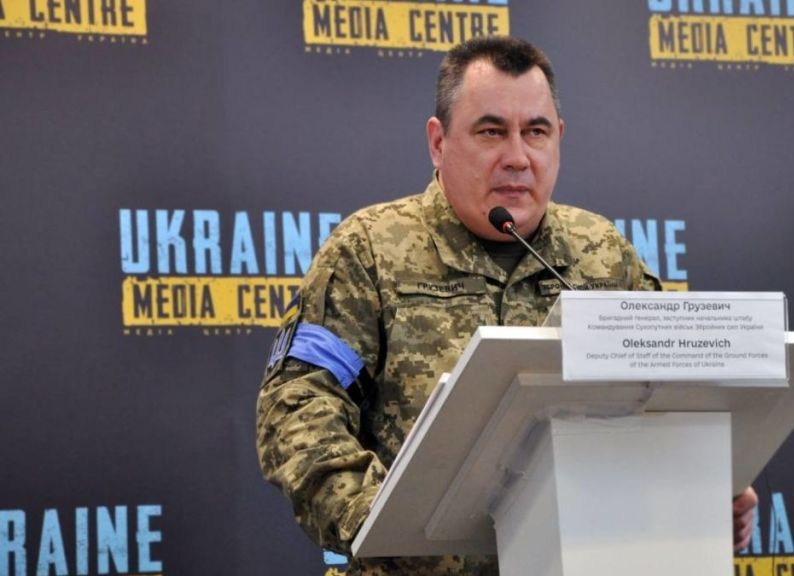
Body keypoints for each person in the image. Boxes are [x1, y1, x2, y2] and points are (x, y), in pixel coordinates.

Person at [256, 35, 757, 575]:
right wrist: (380, 519)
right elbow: (297, 406)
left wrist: (710, 484)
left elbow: (671, 395)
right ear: (438, 142)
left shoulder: (603, 253)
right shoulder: (369, 250)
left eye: (535, 132)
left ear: (559, 138)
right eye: (491, 131)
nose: (517, 158)